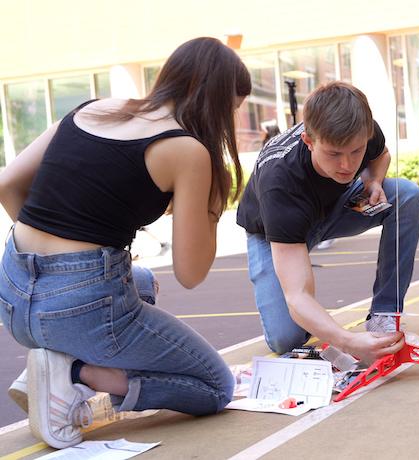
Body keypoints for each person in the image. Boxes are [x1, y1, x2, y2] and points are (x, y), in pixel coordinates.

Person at [0, 37, 251, 449]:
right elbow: (191, 273)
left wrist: (54, 259)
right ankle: (77, 373)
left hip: (12, 291)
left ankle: (54, 360)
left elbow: (7, 183)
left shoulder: (90, 109)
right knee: (215, 387)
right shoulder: (185, 150)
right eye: (234, 108)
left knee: (144, 280)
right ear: (219, 101)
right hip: (77, 306)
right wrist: (210, 200)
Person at [237, 81, 419, 364]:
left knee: (407, 195)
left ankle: (385, 313)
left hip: (332, 207)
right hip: (272, 232)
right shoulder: (280, 181)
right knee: (286, 339)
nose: (347, 165)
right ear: (309, 141)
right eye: (334, 153)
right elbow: (298, 294)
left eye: (356, 151)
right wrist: (348, 341)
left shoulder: (360, 126)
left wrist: (373, 181)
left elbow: (380, 154)